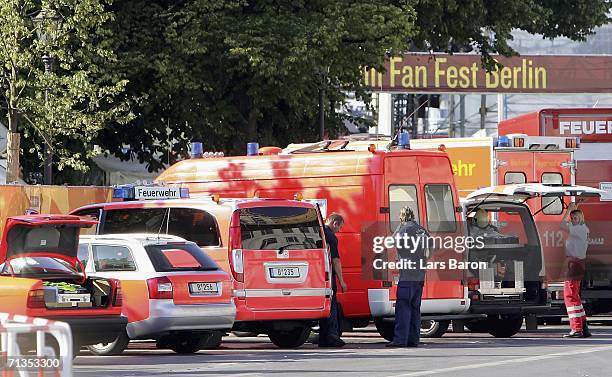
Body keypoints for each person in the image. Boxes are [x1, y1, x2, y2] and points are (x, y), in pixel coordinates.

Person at [386, 206, 430, 348]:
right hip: (420, 274)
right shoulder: (422, 230)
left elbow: (390, 243)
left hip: (407, 274)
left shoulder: (404, 230)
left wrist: (399, 228)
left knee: (403, 306)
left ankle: (400, 340)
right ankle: (413, 339)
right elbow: (431, 249)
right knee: (415, 308)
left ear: (402, 217)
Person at [561, 202, 591, 338]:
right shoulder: (584, 228)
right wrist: (574, 209)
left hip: (574, 263)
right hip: (579, 263)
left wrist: (569, 210)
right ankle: (583, 326)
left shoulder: (577, 229)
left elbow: (561, 225)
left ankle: (576, 328)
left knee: (569, 296)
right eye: (573, 218)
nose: (574, 220)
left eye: (576, 217)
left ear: (581, 218)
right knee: (575, 296)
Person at [318, 212, 347, 347]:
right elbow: (335, 260)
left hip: (318, 275)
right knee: (332, 306)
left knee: (324, 306)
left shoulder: (319, 230)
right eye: (339, 227)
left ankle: (323, 338)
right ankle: (332, 336)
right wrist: (341, 280)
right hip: (329, 277)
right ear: (334, 223)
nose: (339, 230)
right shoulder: (331, 236)